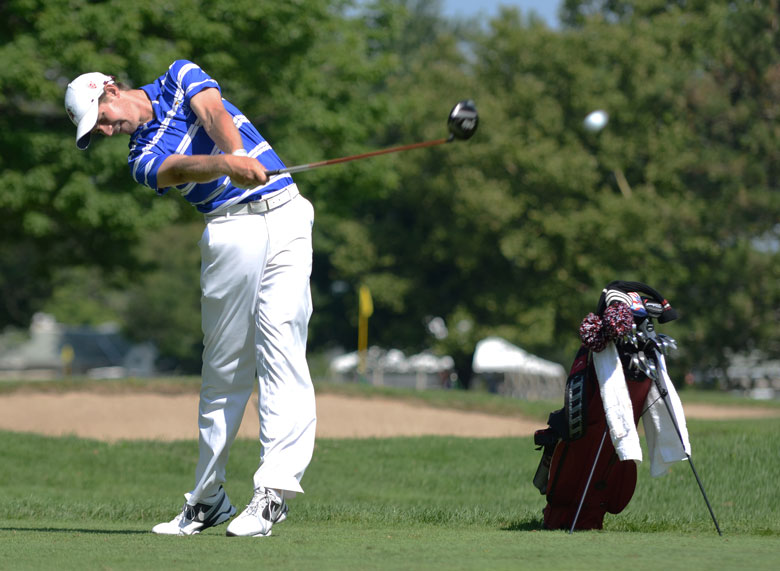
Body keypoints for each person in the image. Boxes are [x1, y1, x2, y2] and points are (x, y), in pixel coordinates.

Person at [64, 60, 317, 537]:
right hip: (230, 231)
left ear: (110, 90)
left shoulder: (178, 76)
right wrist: (226, 166)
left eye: (102, 120)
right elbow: (178, 168)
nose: (107, 131)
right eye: (97, 131)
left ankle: (273, 492)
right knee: (224, 367)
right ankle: (207, 500)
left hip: (286, 213)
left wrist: (236, 153)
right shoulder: (140, 160)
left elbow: (213, 112)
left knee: (282, 346)